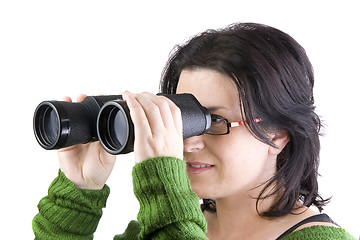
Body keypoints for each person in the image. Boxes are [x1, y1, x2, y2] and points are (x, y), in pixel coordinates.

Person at [32, 22, 355, 239]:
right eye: (183, 118)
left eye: (213, 121)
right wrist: (79, 191)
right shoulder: (166, 225)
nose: (187, 143)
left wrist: (163, 182)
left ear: (278, 133)